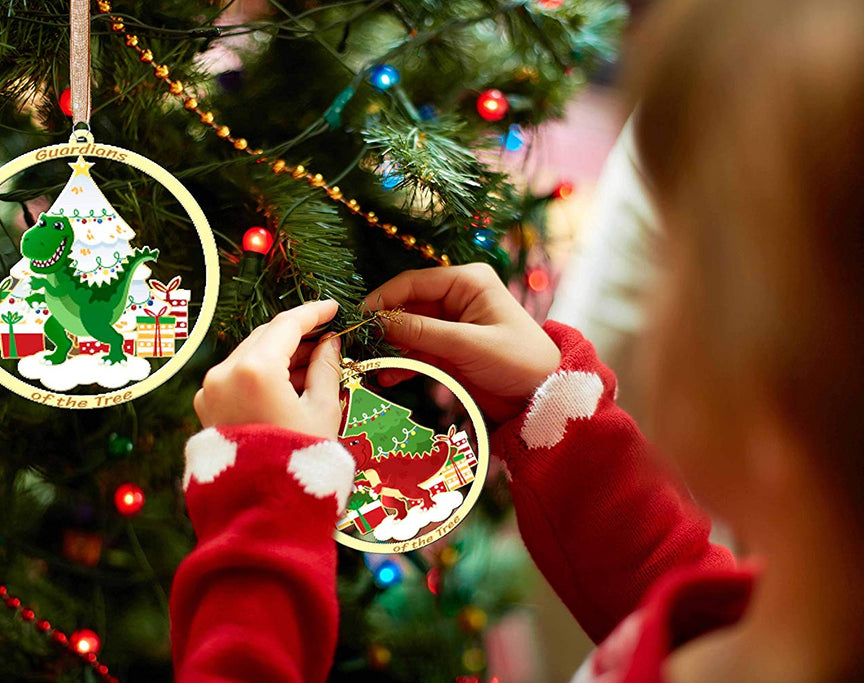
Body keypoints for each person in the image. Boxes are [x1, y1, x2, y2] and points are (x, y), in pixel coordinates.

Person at [170, 0, 864, 680]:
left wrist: (264, 515)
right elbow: (685, 604)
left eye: (678, 259)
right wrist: (558, 414)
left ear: (781, 382)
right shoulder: (792, 625)